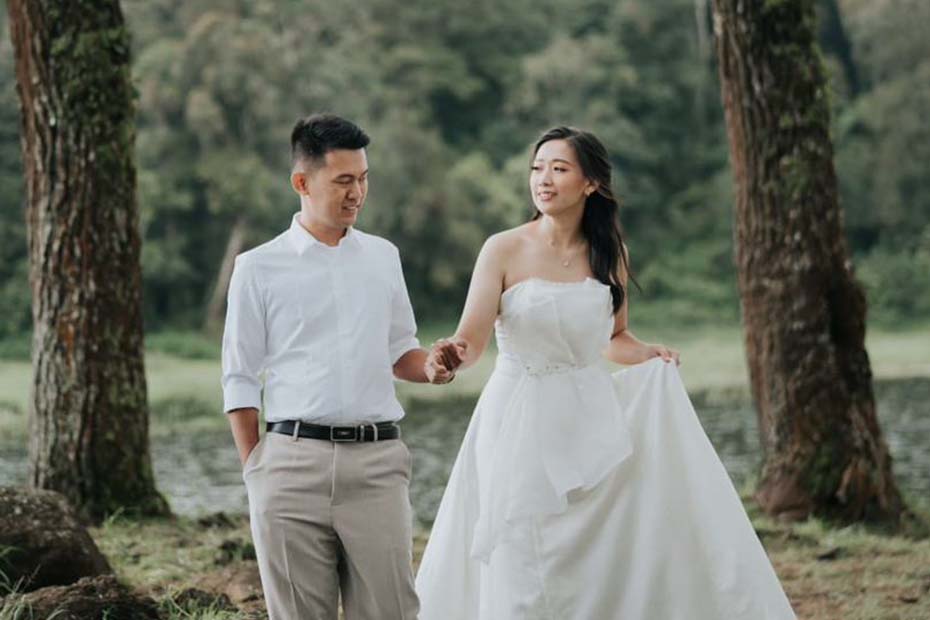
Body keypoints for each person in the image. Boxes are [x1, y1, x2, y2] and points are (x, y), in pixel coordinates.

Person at [415, 126, 797, 619]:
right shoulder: (502, 248)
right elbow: (470, 342)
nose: (543, 179)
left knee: (591, 560)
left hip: (588, 418)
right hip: (516, 418)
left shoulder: (609, 252)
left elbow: (613, 337)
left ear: (591, 183)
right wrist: (448, 356)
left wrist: (648, 354)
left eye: (559, 168)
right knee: (519, 551)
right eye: (537, 168)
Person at [221, 113, 457, 620]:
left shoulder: (383, 257)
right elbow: (239, 375)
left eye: (364, 179)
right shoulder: (257, 267)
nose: (357, 193)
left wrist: (433, 367)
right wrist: (256, 470)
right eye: (344, 180)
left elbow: (402, 351)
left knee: (392, 611)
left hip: (377, 465)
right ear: (302, 183)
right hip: (289, 466)